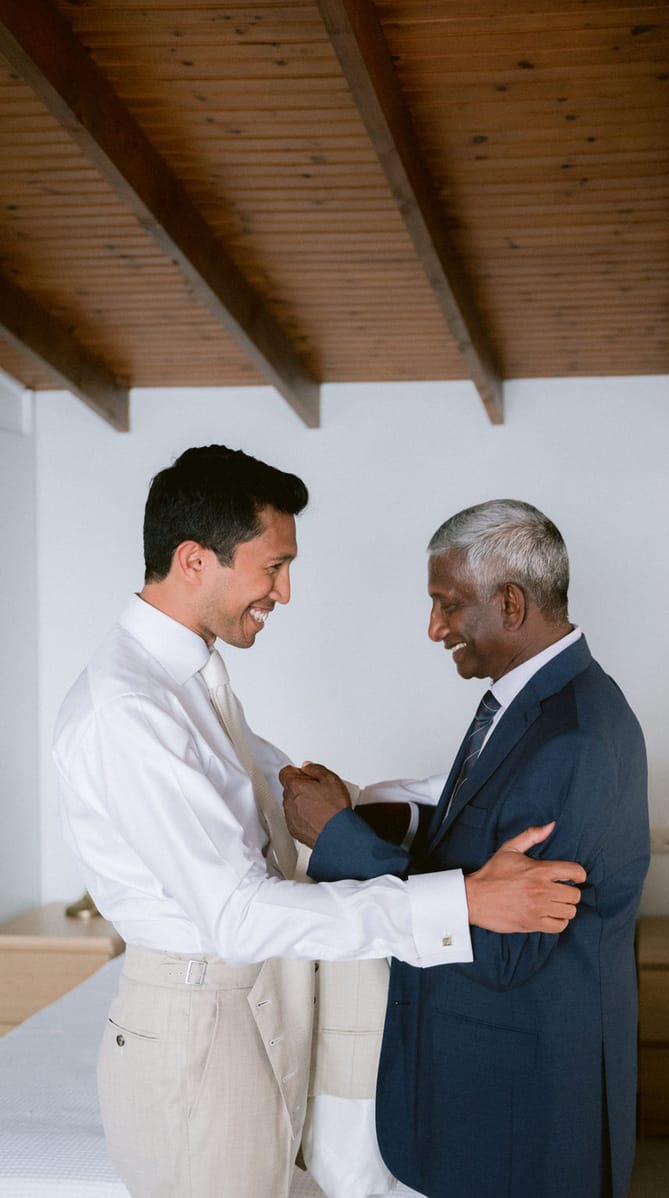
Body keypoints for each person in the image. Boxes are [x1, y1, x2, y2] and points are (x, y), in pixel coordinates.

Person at [52, 449, 586, 1198]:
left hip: (251, 1006)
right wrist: (461, 903)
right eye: (274, 567)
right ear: (194, 560)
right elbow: (238, 914)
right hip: (194, 1028)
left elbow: (307, 794)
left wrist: (488, 785)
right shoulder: (130, 710)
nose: (286, 592)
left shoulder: (189, 682)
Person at [282, 498, 650, 1198]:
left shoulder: (576, 736)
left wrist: (337, 839)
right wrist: (370, 811)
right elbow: (483, 856)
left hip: (520, 1106)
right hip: (489, 1085)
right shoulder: (531, 705)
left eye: (446, 605)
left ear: (510, 604)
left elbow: (506, 941)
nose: (433, 629)